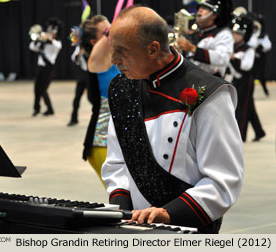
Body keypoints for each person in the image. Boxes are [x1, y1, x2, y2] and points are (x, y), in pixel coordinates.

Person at [102, 6, 244, 233]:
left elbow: (223, 179)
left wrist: (169, 213)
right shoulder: (122, 88)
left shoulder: (209, 93)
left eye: (122, 51)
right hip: (135, 227)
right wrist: (123, 214)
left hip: (190, 228)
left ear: (153, 49)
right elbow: (116, 163)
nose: (114, 60)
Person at [80, 15, 120, 186]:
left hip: (118, 140)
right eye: (105, 32)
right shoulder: (96, 60)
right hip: (102, 142)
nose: (111, 34)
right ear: (93, 41)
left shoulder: (119, 60)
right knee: (122, 199)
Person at [227, 15, 265, 142]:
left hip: (246, 81)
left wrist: (233, 58)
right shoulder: (230, 48)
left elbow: (246, 66)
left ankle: (240, 136)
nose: (235, 36)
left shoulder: (249, 49)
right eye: (234, 33)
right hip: (235, 81)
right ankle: (259, 131)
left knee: (242, 109)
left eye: (238, 34)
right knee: (249, 107)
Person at [177, 0, 233, 78]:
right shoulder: (198, 32)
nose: (199, 10)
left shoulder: (224, 34)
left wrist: (192, 48)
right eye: (199, 7)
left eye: (205, 8)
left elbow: (222, 58)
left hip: (212, 83)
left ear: (214, 15)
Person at [30, 18, 63, 117]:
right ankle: (37, 108)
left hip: (49, 69)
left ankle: (50, 109)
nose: (50, 33)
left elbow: (54, 44)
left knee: (43, 90)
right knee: (36, 89)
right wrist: (37, 39)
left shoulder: (57, 43)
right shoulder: (42, 42)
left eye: (52, 32)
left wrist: (48, 38)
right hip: (40, 67)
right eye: (49, 31)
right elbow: (32, 47)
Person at [67, 44, 89, 126]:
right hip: (83, 75)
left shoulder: (94, 46)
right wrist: (79, 53)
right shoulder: (80, 47)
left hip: (93, 75)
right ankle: (74, 118)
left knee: (92, 98)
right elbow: (74, 58)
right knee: (77, 97)